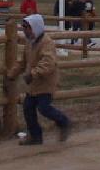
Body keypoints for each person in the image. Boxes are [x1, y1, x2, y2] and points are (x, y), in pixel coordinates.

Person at [7, 14, 71, 145]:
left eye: (27, 27)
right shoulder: (30, 42)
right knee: (28, 107)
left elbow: (48, 63)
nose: (24, 29)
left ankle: (64, 122)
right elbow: (22, 61)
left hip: (46, 83)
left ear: (35, 27)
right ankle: (36, 136)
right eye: (23, 27)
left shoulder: (46, 43)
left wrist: (33, 74)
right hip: (34, 84)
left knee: (44, 108)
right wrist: (12, 74)